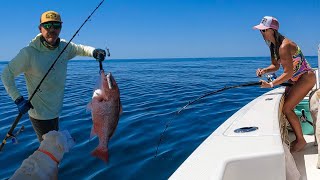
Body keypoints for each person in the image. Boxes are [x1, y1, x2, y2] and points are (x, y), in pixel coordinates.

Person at [1, 11, 106, 142]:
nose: (52, 29)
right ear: (40, 28)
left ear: (61, 28)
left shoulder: (64, 47)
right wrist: (18, 99)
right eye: (47, 25)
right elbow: (6, 74)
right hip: (39, 115)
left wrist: (94, 52)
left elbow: (81, 49)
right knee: (49, 151)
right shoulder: (29, 53)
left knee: (54, 149)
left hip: (56, 111)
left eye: (56, 25)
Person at [253, 16, 316, 152]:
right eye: (260, 30)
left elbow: (287, 73)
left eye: (263, 30)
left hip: (306, 77)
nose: (261, 33)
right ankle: (298, 137)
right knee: (286, 107)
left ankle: (301, 140)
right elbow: (275, 66)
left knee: (287, 108)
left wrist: (270, 85)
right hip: (295, 79)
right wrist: (264, 70)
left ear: (271, 30)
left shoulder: (284, 45)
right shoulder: (273, 45)